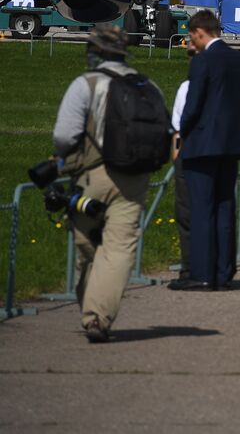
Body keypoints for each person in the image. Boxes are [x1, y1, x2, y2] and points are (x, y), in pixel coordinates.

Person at [51, 24, 171, 339]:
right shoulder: (150, 86)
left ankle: (91, 312)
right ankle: (98, 317)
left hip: (92, 176)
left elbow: (64, 135)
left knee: (88, 246)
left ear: (95, 52)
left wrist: (62, 160)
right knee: (118, 250)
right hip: (135, 180)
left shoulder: (86, 84)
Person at [177, 9, 240, 291]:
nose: (191, 42)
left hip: (203, 143)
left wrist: (183, 131)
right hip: (232, 142)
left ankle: (202, 273)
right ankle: (223, 271)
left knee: (201, 210)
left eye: (191, 36)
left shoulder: (203, 61)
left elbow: (193, 105)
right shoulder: (239, 60)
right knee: (224, 207)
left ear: (200, 32)